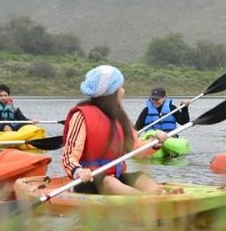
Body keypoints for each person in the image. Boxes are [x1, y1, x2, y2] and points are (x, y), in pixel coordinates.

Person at [61, 65, 182, 195]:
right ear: (111, 93)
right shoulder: (81, 116)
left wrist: (155, 143)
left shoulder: (120, 118)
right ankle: (147, 200)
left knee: (140, 177)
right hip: (87, 181)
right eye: (120, 88)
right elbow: (68, 157)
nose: (123, 91)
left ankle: (161, 194)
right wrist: (78, 171)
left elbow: (137, 150)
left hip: (115, 177)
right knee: (108, 181)